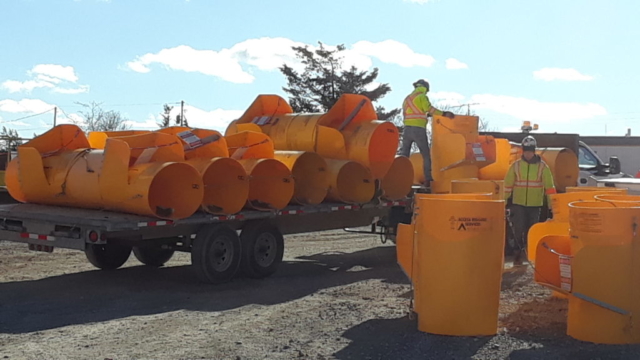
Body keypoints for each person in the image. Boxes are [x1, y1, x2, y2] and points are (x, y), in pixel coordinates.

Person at [504, 135, 557, 265]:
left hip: (535, 204)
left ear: (534, 151)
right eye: (526, 150)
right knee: (518, 228)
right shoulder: (515, 166)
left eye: (530, 150)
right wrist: (503, 202)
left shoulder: (543, 167)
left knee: (531, 229)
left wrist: (553, 207)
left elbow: (550, 188)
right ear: (523, 150)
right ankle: (517, 253)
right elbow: (507, 186)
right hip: (518, 203)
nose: (528, 153)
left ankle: (528, 253)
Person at [399, 79, 455, 187]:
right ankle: (428, 179)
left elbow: (413, 112)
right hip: (418, 129)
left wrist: (426, 114)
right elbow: (429, 109)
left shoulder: (407, 99)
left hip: (406, 129)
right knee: (426, 155)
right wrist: (443, 114)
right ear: (426, 88)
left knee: (404, 156)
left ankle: (400, 178)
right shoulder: (422, 96)